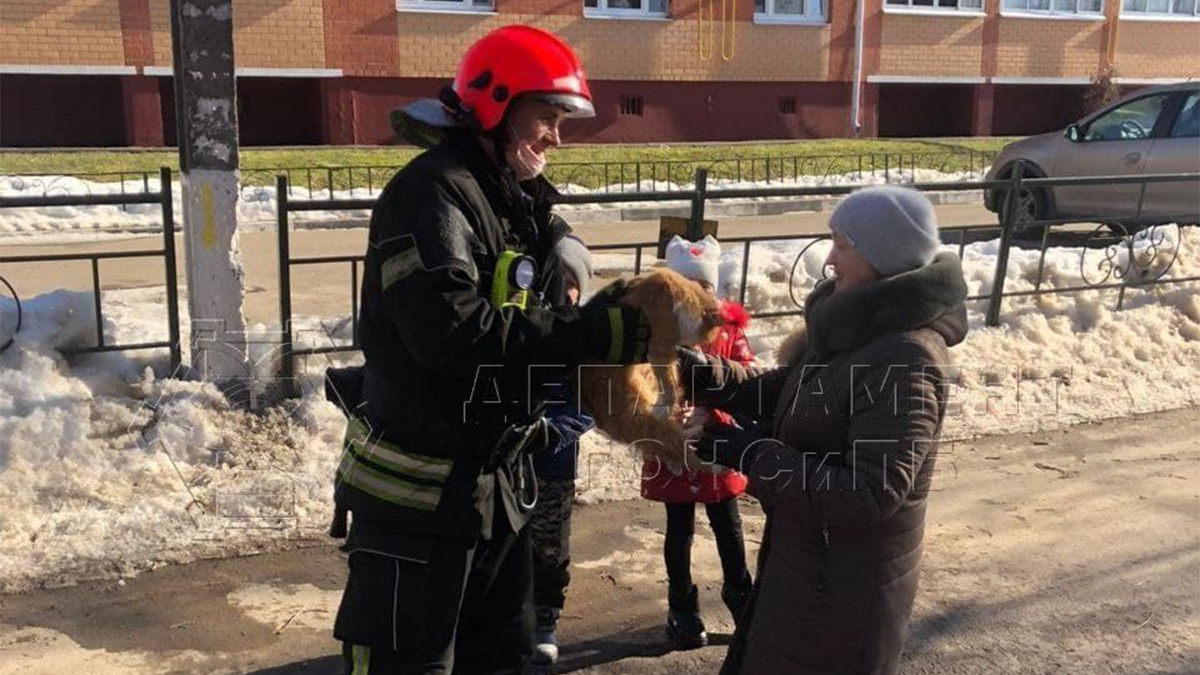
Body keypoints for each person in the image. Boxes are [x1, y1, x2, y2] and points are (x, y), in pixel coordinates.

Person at [331, 26, 651, 675]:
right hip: (417, 501)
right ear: (495, 105)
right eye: (546, 117)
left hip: (494, 494)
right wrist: (592, 332)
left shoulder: (504, 195)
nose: (555, 137)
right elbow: (452, 332)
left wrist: (566, 248)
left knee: (502, 658)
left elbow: (532, 281)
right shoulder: (429, 194)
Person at [683, 186, 969, 675]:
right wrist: (699, 373)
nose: (830, 258)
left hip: (842, 599)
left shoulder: (906, 358)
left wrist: (751, 453)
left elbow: (868, 493)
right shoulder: (854, 323)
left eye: (842, 244)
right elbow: (791, 393)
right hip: (807, 570)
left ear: (882, 256)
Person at [641, 235, 755, 650]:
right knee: (680, 528)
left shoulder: (728, 331)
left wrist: (712, 408)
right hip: (674, 445)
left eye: (704, 286)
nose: (697, 295)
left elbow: (747, 377)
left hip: (718, 440)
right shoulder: (656, 334)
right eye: (687, 286)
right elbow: (639, 384)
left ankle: (740, 593)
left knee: (729, 524)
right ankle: (682, 604)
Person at [529, 235, 596, 665]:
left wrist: (558, 430)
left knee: (550, 544)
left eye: (570, 283)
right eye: (555, 279)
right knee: (505, 541)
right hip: (511, 460)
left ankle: (546, 616)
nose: (562, 290)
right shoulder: (523, 325)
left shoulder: (582, 339)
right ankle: (506, 612)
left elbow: (592, 403)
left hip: (554, 461)